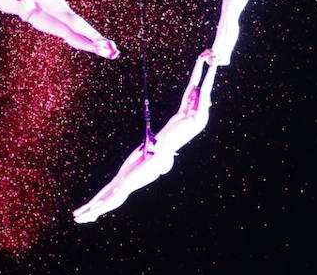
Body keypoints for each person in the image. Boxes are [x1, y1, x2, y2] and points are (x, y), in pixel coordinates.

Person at [73, 49, 218, 223]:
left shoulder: (199, 117)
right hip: (150, 145)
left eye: (192, 98)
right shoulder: (182, 112)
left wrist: (214, 66)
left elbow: (206, 88)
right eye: (188, 98)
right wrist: (199, 61)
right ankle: (89, 205)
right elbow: (192, 84)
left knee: (124, 187)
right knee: (117, 180)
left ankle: (95, 213)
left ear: (201, 101)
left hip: (160, 159)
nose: (187, 99)